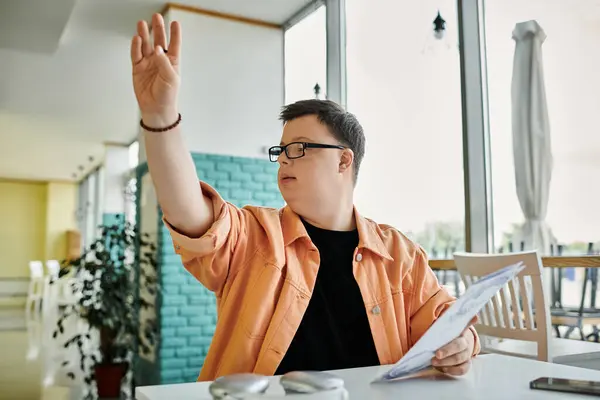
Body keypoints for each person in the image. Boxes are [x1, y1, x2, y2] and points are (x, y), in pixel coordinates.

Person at [131, 13, 480, 382]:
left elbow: (448, 321)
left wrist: (464, 342)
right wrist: (160, 115)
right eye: (280, 150)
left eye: (298, 148)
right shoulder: (254, 236)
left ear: (344, 160)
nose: (282, 158)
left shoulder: (400, 256)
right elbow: (187, 211)